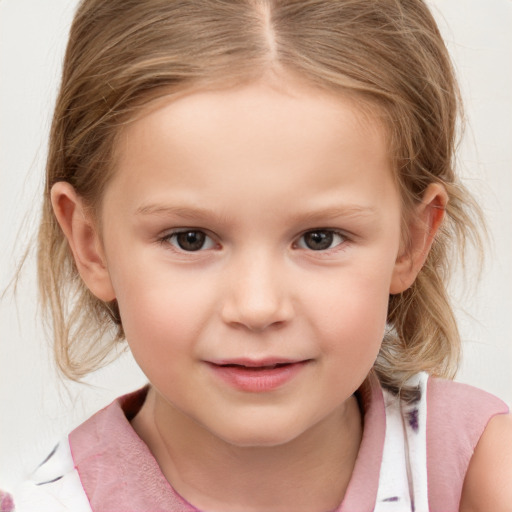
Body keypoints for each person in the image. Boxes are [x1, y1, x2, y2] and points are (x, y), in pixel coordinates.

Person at [2, 0, 511, 510]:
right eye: (190, 239)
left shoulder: (477, 472)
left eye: (319, 238)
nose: (257, 307)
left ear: (412, 239)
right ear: (91, 245)